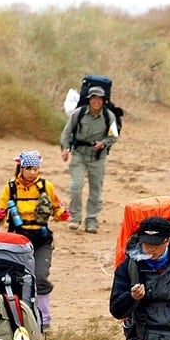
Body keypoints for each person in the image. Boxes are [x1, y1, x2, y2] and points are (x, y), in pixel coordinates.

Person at [0, 151, 71, 331]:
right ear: (21, 167)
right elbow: (1, 209)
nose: (33, 172)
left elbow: (56, 208)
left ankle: (44, 319)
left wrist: (62, 214)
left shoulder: (46, 186)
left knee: (41, 277)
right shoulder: (11, 187)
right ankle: (17, 315)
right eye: (29, 168)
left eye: (36, 169)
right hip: (17, 240)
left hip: (41, 239)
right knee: (15, 277)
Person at [60, 85, 119, 234]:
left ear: (103, 101)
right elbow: (67, 132)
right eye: (94, 98)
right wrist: (65, 149)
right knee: (76, 186)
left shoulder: (108, 116)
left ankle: (92, 220)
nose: (96, 102)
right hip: (79, 154)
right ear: (89, 100)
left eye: (99, 99)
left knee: (96, 190)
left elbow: (114, 136)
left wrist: (103, 143)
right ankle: (75, 218)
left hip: (97, 158)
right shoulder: (78, 114)